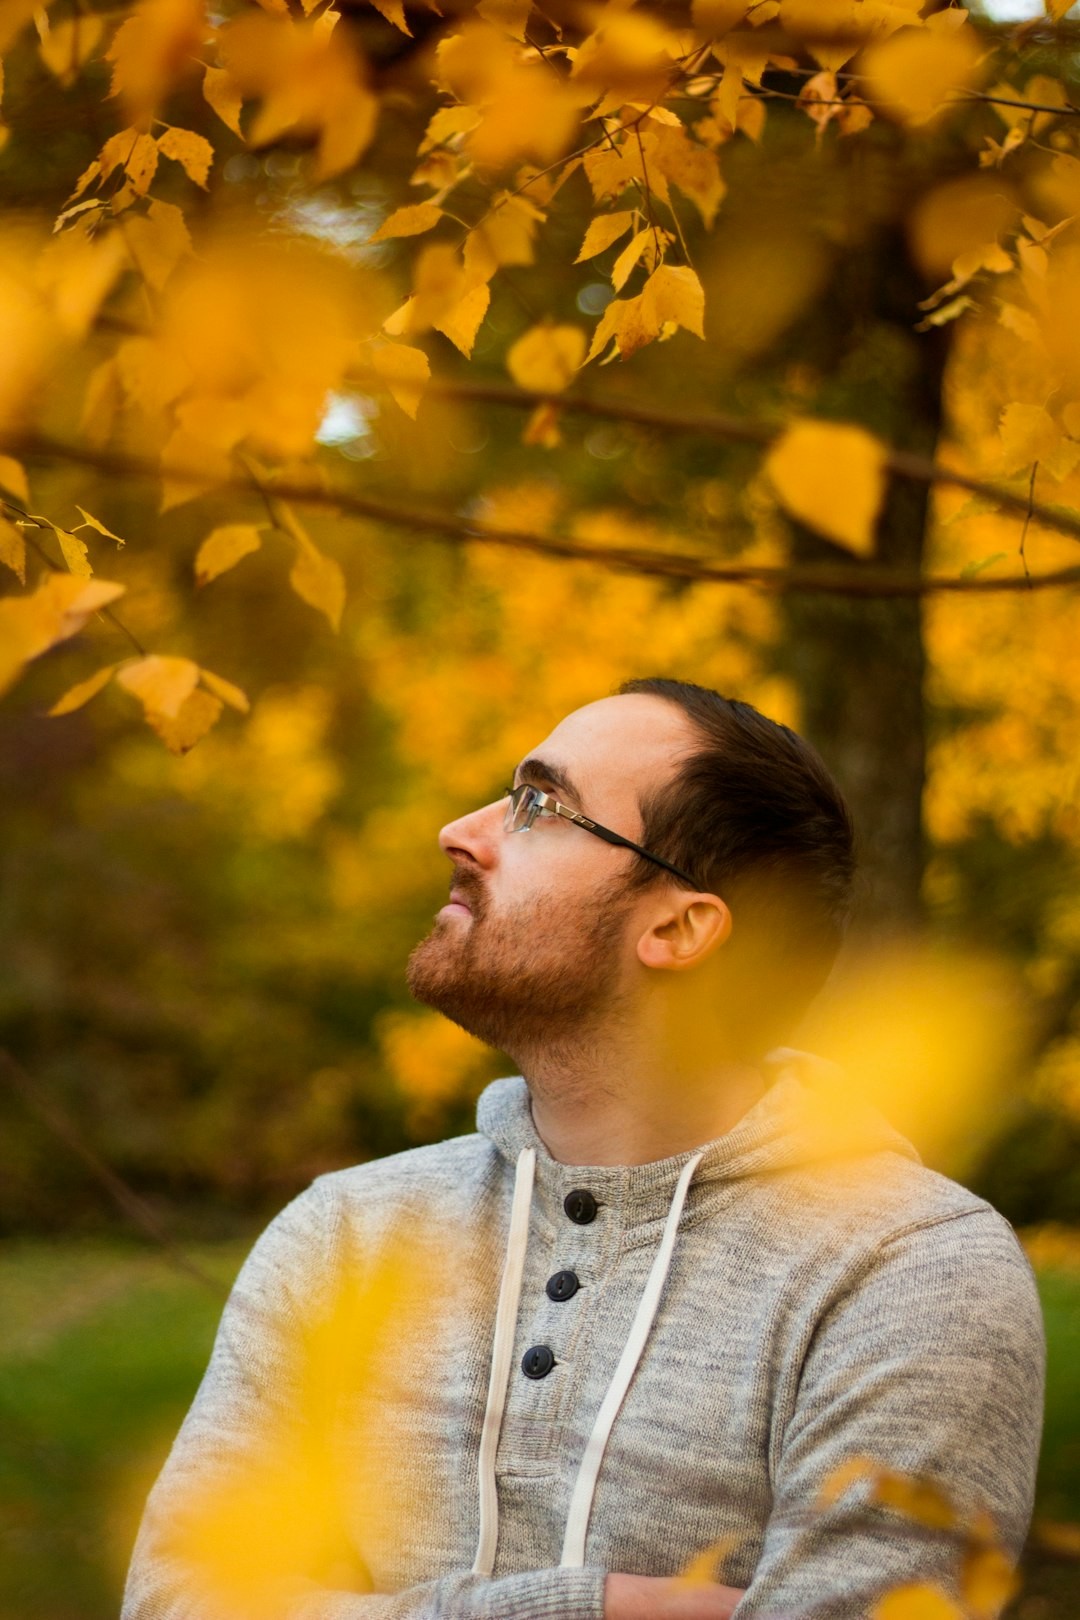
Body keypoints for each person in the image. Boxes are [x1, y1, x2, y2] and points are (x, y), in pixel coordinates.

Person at [122, 679, 1045, 1620]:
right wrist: (589, 1609)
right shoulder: (351, 1234)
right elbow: (174, 1602)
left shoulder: (909, 1268)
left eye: (539, 806)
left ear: (679, 928)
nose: (460, 830)